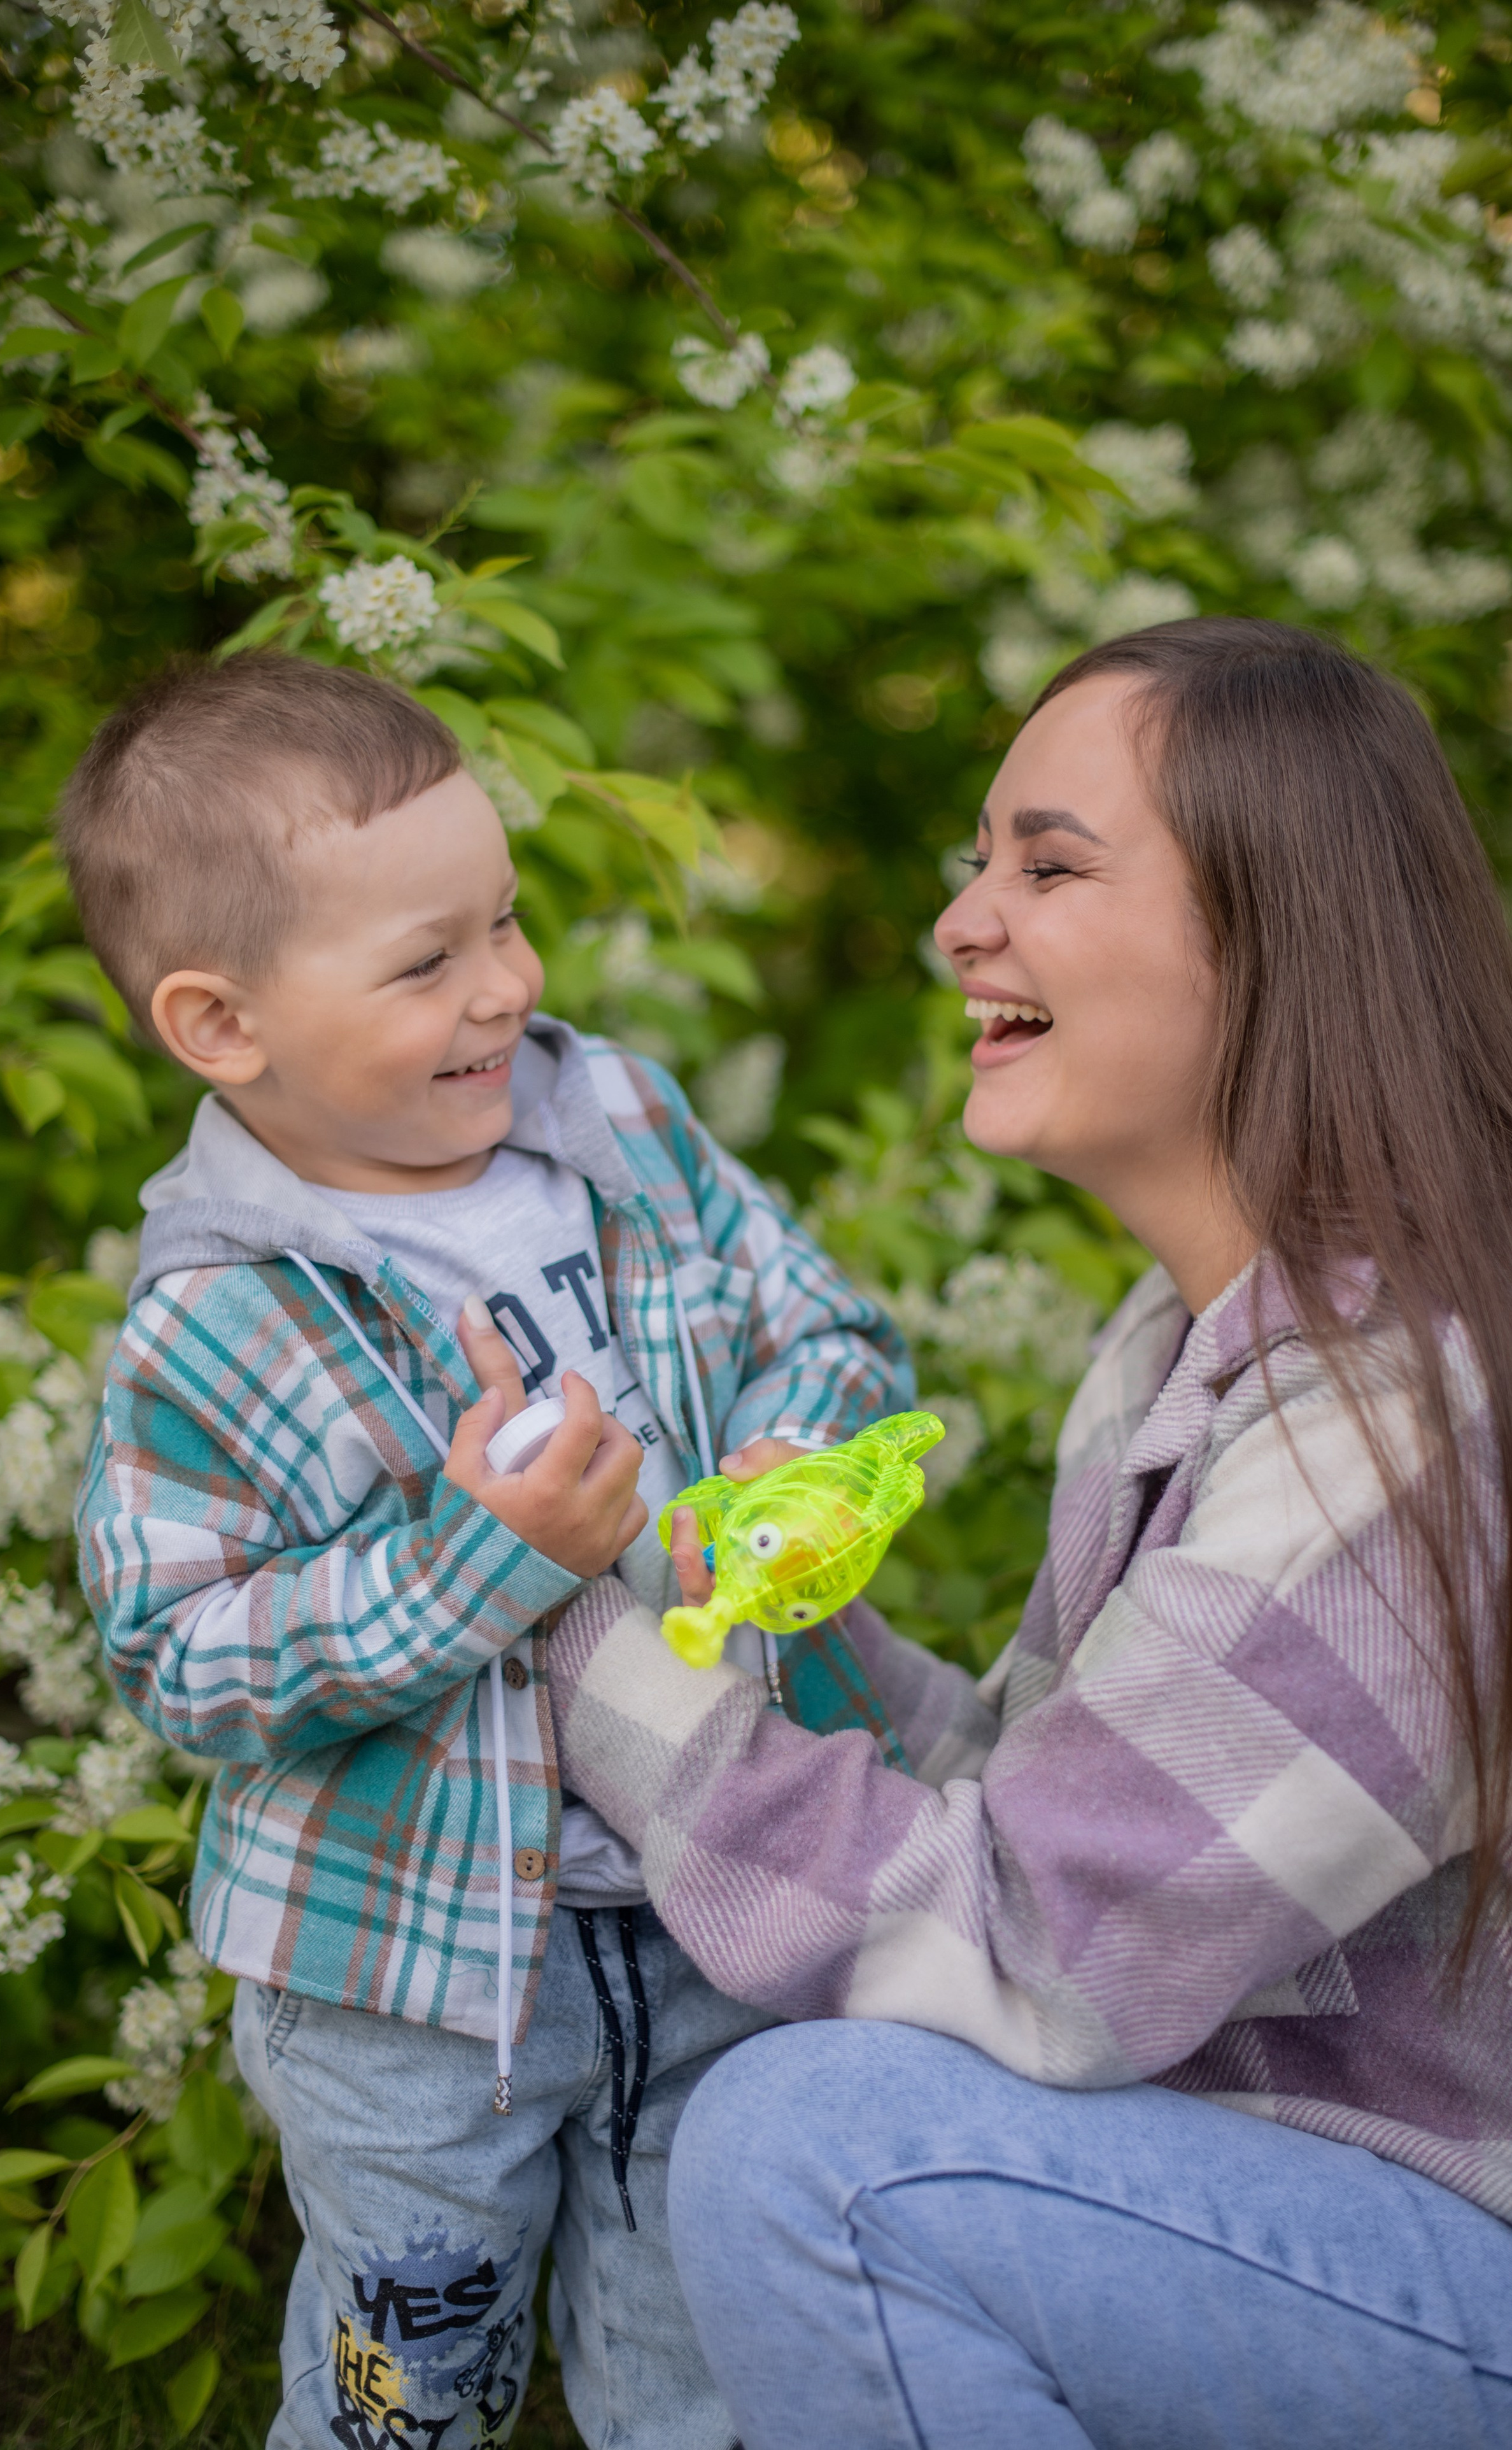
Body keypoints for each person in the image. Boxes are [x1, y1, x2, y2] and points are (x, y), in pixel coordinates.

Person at [540, 618, 1512, 2449]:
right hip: (1322, 2218)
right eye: (975, 861)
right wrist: (749, 1618)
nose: (963, 923)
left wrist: (575, 1650)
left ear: (1278, 928)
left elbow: (1040, 1958)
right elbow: (1057, 1813)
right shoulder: (1193, 1347)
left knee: (822, 2157)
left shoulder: (1401, 1412)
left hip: (1464, 2260)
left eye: (1049, 864)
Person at [62, 652, 912, 2450]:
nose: (506, 988)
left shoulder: (620, 1128)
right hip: (410, 1991)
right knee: (408, 2377)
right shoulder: (218, 1323)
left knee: (706, 2348)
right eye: (427, 963)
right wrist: (483, 1561)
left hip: (706, 1893)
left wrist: (797, 1461)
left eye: (507, 925)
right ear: (223, 1026)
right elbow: (184, 1661)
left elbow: (821, 1330)